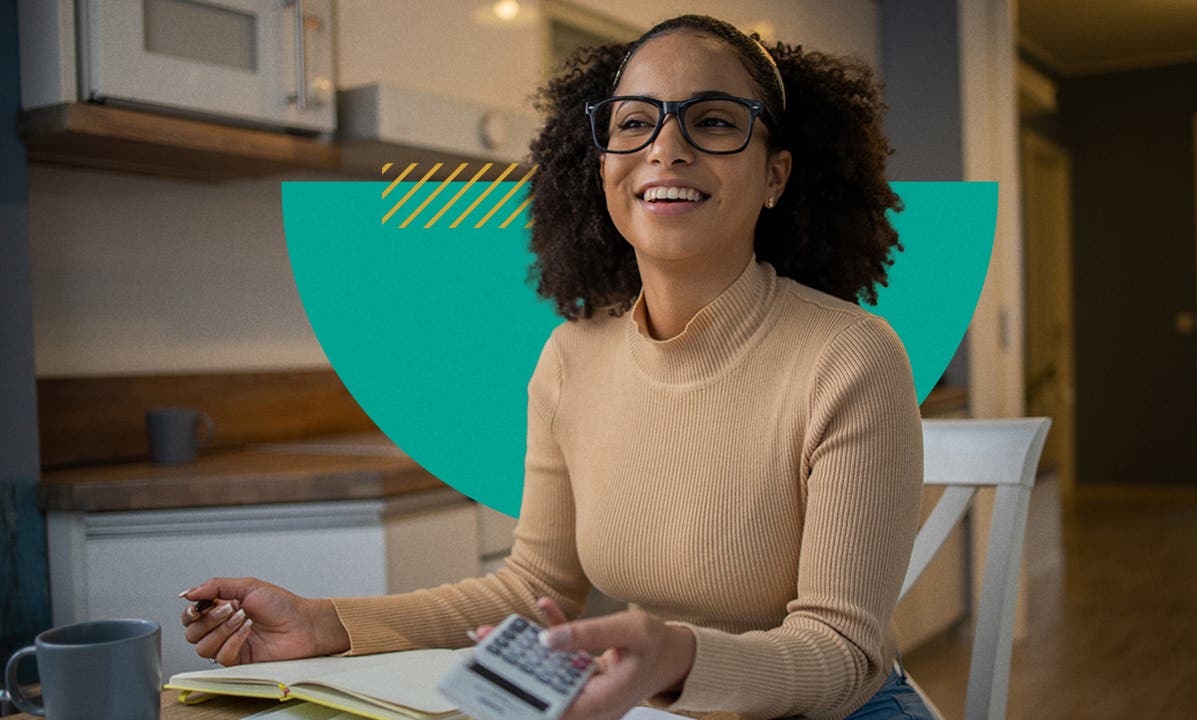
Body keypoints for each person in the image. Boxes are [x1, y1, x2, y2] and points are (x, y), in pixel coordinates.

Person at [180, 14, 931, 720]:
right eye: (635, 122)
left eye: (713, 121)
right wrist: (327, 624)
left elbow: (845, 653)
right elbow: (534, 587)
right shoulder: (571, 357)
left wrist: (680, 659)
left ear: (775, 175)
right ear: (601, 165)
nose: (666, 147)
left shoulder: (851, 356)